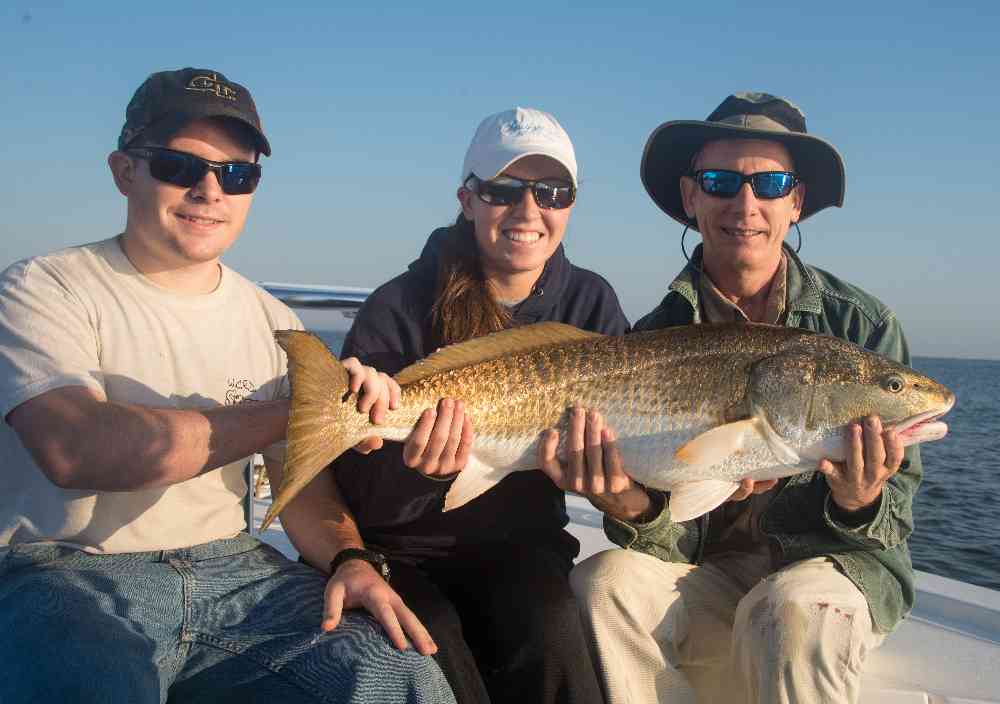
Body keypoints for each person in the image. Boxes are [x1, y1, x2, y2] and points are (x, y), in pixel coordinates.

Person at [0, 67, 454, 704]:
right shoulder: (45, 287)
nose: (210, 190)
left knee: (402, 678)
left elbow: (300, 482)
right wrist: (307, 412)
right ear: (124, 170)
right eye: (180, 166)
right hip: (62, 569)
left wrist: (351, 561)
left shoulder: (274, 321)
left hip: (235, 569)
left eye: (237, 174)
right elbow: (75, 449)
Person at [557, 93, 921, 704]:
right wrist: (623, 502)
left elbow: (895, 518)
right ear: (691, 197)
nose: (745, 204)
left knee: (789, 609)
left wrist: (859, 500)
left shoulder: (860, 327)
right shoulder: (651, 338)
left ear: (795, 202)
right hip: (711, 573)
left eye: (770, 183)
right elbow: (674, 538)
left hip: (829, 570)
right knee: (602, 583)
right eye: (721, 181)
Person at [323, 107, 627, 704]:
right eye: (503, 191)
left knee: (553, 638)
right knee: (430, 649)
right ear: (467, 199)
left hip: (522, 550)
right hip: (400, 550)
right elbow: (352, 485)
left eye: (553, 191)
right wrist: (416, 469)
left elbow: (629, 443)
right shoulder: (397, 306)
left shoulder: (592, 301)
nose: (529, 209)